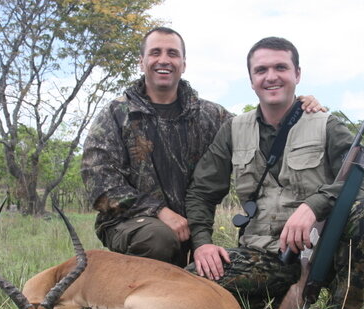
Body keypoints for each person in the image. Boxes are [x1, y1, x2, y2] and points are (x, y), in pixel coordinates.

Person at [185, 36, 364, 309]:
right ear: (251, 80)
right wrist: (203, 243)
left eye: (281, 67)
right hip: (264, 255)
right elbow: (201, 193)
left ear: (297, 74)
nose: (271, 77)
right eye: (261, 70)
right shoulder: (233, 129)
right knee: (188, 285)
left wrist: (315, 205)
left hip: (321, 252)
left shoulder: (326, 124)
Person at [81, 28, 323, 267]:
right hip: (132, 223)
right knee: (158, 238)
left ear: (183, 64)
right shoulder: (114, 114)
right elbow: (101, 187)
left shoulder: (211, 115)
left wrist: (296, 108)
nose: (164, 60)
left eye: (172, 53)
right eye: (155, 52)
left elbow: (258, 130)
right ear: (142, 61)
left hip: (188, 228)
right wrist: (159, 211)